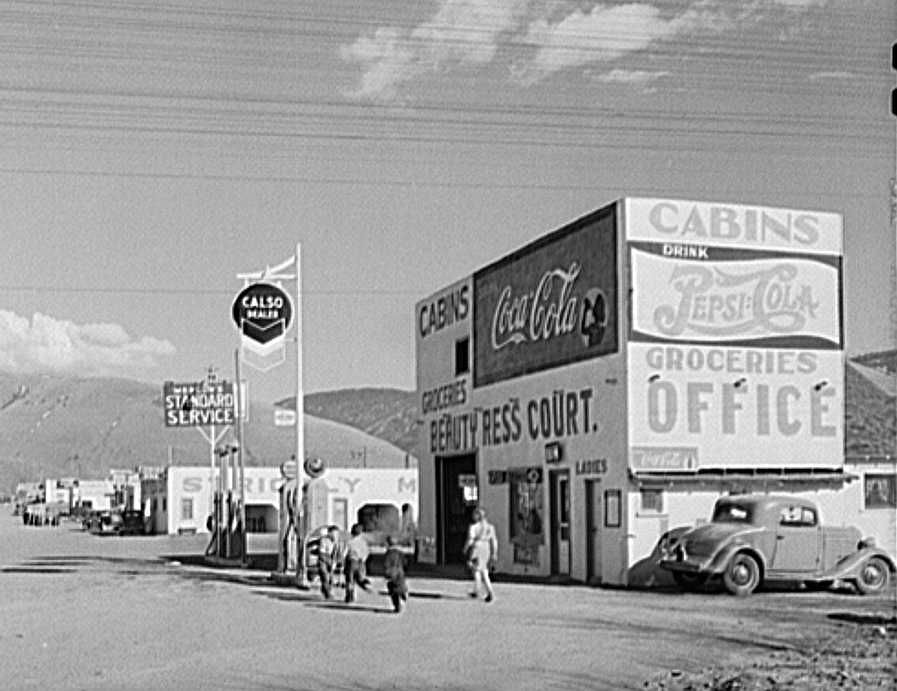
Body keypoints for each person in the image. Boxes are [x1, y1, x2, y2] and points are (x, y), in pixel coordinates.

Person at [463, 507, 498, 602]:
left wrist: (465, 549)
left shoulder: (474, 527)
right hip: (486, 548)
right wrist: (494, 552)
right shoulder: (490, 527)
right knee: (481, 570)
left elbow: (470, 539)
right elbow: (494, 541)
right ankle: (477, 590)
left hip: (477, 548)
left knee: (478, 571)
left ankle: (487, 591)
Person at [344, 523, 372, 603]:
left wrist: (342, 561)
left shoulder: (349, 542)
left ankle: (350, 595)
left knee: (350, 580)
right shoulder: (363, 542)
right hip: (360, 562)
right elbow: (366, 552)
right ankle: (364, 584)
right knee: (359, 577)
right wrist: (363, 560)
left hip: (351, 562)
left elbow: (344, 553)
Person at [383, 534, 409, 613]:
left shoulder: (388, 553)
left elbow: (386, 564)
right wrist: (404, 569)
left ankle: (397, 605)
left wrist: (386, 572)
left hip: (391, 573)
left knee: (392, 589)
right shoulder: (400, 553)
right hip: (400, 572)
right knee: (401, 584)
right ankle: (403, 593)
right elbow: (405, 562)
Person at [315, 525, 342, 599]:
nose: (336, 535)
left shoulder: (336, 542)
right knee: (325, 576)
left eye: (337, 534)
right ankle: (327, 593)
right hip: (323, 562)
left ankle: (326, 590)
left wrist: (337, 562)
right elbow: (322, 554)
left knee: (331, 579)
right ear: (329, 533)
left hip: (331, 562)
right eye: (334, 533)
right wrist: (331, 562)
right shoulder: (323, 540)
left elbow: (338, 554)